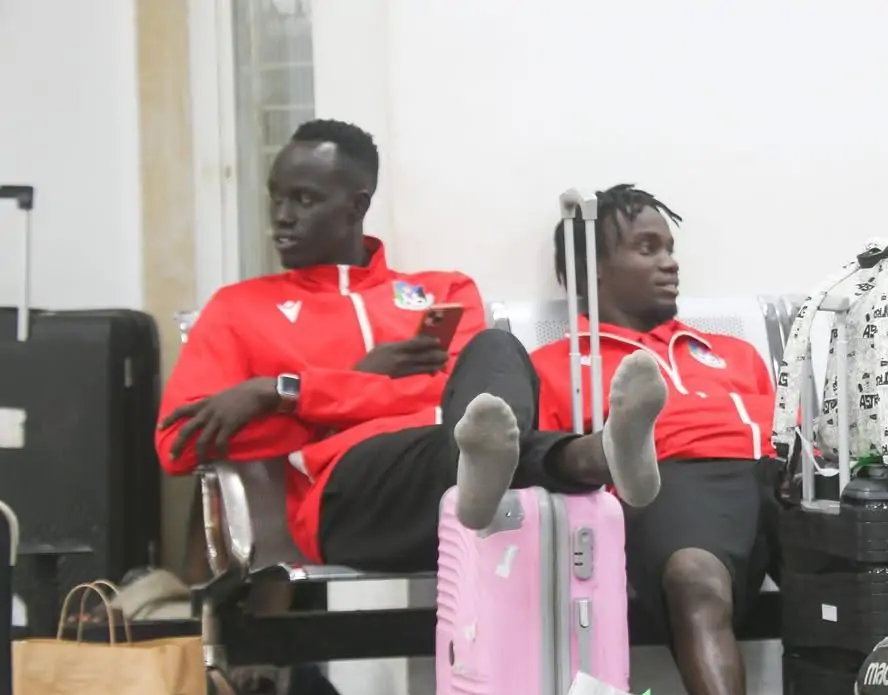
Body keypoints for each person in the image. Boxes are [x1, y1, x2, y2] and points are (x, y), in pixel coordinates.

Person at [155, 120, 668, 585]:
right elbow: (178, 443)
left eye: (304, 200)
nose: (282, 218)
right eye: (277, 199)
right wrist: (350, 386)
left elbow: (456, 395)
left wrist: (287, 394)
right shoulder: (238, 309)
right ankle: (588, 456)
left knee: (497, 350)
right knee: (473, 445)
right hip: (348, 496)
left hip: (451, 464)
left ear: (356, 206)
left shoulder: (443, 292)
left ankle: (499, 476)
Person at [530, 184, 809, 695]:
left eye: (670, 247)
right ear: (594, 272)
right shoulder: (556, 368)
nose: (669, 262)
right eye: (647, 248)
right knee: (692, 575)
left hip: (772, 479)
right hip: (673, 489)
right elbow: (548, 467)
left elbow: (794, 436)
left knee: (869, 557)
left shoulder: (732, 353)